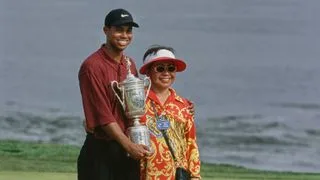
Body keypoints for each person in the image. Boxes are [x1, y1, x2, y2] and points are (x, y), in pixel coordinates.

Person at [77, 8, 150, 180]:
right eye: (119, 30)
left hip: (126, 151)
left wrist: (182, 107)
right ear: (106, 30)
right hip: (101, 152)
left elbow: (137, 104)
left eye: (128, 31)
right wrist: (129, 146)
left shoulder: (129, 64)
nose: (124, 35)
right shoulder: (92, 66)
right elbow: (103, 115)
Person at [139, 45, 201, 179]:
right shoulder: (136, 103)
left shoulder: (184, 106)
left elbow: (191, 145)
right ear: (148, 72)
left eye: (171, 68)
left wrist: (195, 176)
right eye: (160, 68)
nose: (166, 73)